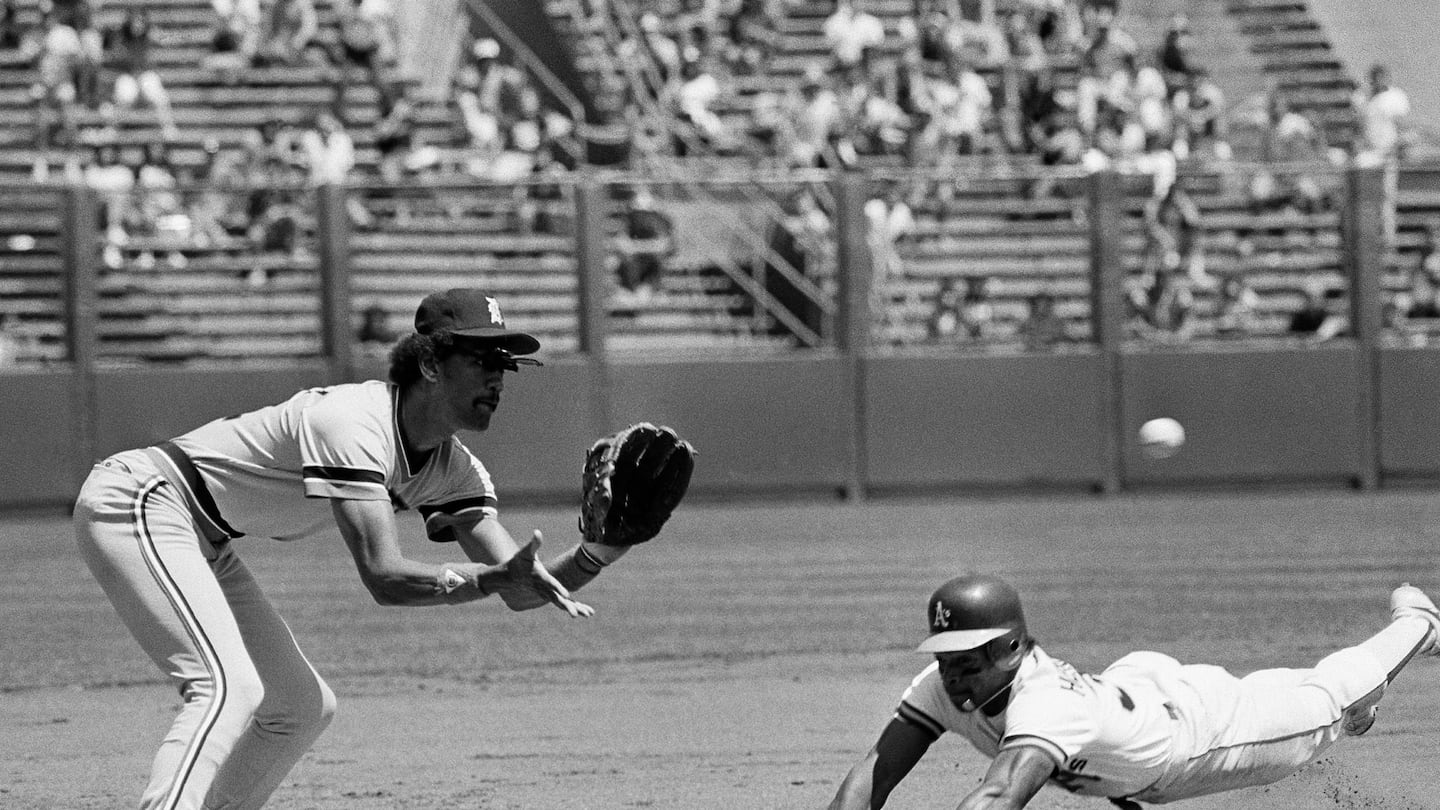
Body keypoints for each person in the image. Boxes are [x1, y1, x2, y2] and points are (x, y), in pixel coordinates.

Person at [73, 289, 644, 810]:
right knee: (228, 688)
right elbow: (384, 577)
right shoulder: (352, 421)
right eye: (482, 359)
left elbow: (523, 586)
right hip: (144, 497)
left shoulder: (454, 469)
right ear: (428, 364)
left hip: (205, 537)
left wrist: (602, 549)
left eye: (505, 364)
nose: (499, 378)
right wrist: (488, 579)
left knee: (299, 708)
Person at [827, 573, 1440, 810]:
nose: (953, 674)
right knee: (1314, 702)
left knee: (1325, 702)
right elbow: (875, 772)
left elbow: (997, 793)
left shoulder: (1047, 705)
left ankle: (1418, 624)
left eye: (968, 659)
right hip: (1135, 687)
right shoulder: (941, 685)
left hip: (1204, 740)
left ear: (1012, 648)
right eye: (946, 659)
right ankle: (1357, 709)